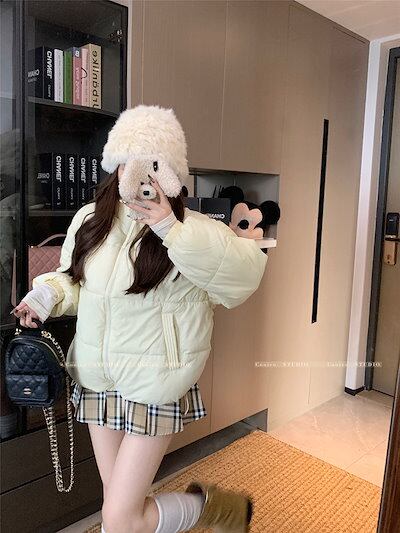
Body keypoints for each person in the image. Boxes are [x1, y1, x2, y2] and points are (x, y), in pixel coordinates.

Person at [11, 105, 268, 533]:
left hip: (156, 380)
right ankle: (211, 509)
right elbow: (75, 282)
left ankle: (209, 510)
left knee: (119, 517)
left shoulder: (194, 230)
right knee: (120, 511)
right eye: (128, 165)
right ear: (115, 168)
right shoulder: (89, 220)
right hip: (98, 377)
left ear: (172, 174)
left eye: (153, 167)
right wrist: (46, 295)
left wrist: (169, 227)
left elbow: (242, 279)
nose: (139, 180)